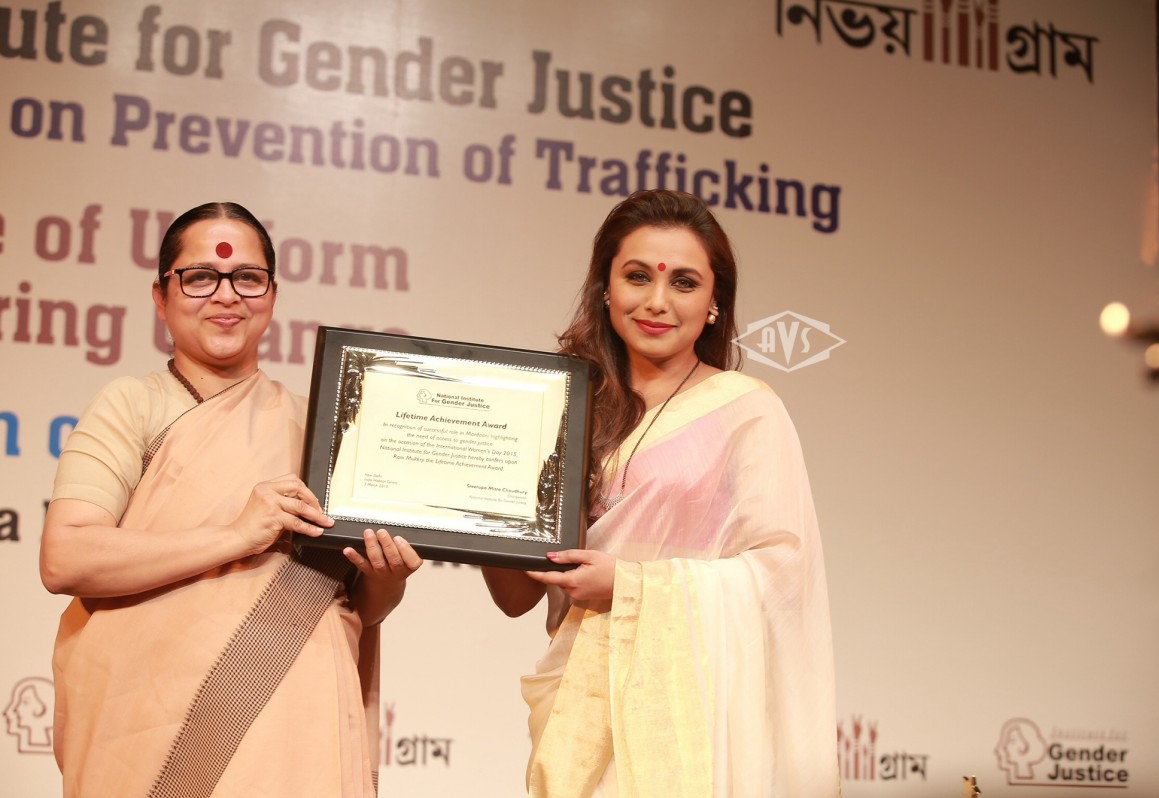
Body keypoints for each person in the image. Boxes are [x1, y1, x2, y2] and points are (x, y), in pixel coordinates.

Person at [39, 201, 422, 797]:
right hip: (149, 727)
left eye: (247, 277)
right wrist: (237, 536)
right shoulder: (132, 405)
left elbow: (359, 608)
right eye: (200, 277)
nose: (226, 295)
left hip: (291, 734)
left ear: (272, 295)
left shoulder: (324, 430)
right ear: (161, 296)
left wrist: (385, 579)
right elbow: (66, 558)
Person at [483, 189, 840, 796]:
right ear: (605, 287)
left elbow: (782, 574)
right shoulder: (561, 410)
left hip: (690, 718)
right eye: (637, 276)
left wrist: (629, 584)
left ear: (714, 302)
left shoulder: (745, 411)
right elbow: (516, 597)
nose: (656, 301)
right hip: (578, 709)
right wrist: (483, 502)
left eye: (683, 283)